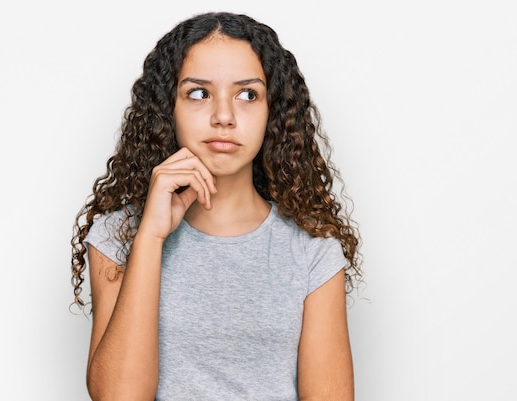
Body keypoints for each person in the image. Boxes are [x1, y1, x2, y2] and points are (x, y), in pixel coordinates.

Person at [70, 11, 363, 401]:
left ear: (271, 112)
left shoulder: (312, 249)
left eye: (247, 95)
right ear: (167, 109)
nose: (223, 116)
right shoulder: (117, 235)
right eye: (198, 93)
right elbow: (118, 396)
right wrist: (151, 237)